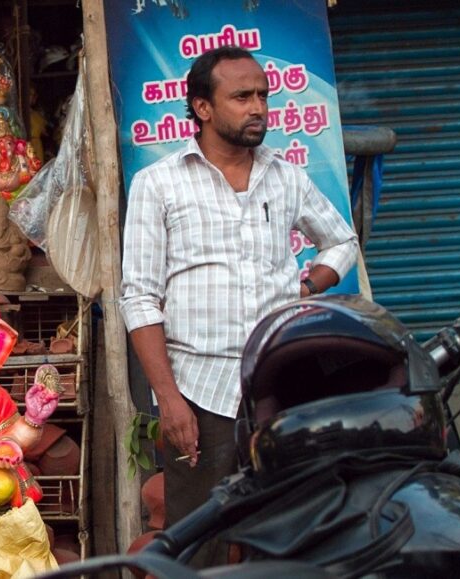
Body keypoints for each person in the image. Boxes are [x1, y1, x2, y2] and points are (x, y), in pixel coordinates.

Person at [119, 46, 359, 567]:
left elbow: (341, 242)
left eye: (264, 96)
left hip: (279, 383)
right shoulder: (157, 184)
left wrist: (307, 287)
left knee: (287, 526)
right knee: (196, 536)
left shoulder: (285, 176)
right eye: (242, 97)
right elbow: (139, 297)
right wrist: (169, 399)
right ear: (202, 108)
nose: (258, 108)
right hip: (201, 393)